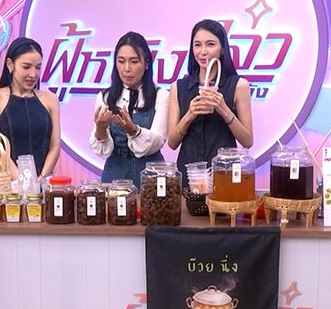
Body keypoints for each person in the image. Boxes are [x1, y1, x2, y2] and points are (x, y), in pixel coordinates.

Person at [167, 19, 254, 187]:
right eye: (197, 45)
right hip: (190, 174)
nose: (203, 52)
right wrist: (190, 115)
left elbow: (248, 141)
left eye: (210, 44)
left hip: (225, 174)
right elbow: (172, 142)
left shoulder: (239, 85)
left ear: (222, 49)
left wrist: (224, 110)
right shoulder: (178, 87)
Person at [89, 31, 169, 187]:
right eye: (121, 61)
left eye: (134, 61)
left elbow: (158, 140)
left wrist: (133, 130)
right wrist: (100, 129)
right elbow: (102, 150)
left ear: (146, 64)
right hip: (115, 173)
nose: (127, 68)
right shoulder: (105, 97)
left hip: (151, 174)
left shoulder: (161, 96)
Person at [0, 37, 60, 180]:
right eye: (26, 67)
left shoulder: (50, 99)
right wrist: (23, 181)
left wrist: (41, 178)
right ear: (10, 64)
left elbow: (55, 146)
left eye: (38, 67)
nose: (33, 74)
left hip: (42, 183)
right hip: (8, 185)